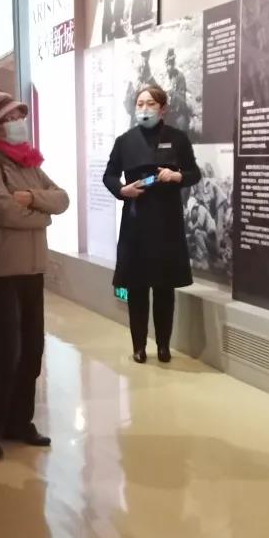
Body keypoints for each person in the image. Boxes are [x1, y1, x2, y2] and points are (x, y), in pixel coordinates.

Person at [0, 91, 69, 460]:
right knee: (3, 353)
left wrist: (33, 199)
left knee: (31, 350)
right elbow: (3, 211)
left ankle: (19, 422)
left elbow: (62, 198)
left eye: (18, 116)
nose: (17, 122)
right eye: (9, 118)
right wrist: (42, 216)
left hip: (31, 269)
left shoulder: (28, 161)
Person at [103, 84, 201, 364]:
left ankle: (163, 346)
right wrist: (122, 190)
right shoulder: (124, 141)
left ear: (163, 109)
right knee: (136, 287)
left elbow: (194, 173)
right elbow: (109, 175)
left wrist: (177, 176)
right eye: (140, 104)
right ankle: (138, 346)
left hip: (167, 222)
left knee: (164, 288)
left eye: (150, 104)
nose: (144, 109)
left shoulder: (178, 138)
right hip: (135, 221)